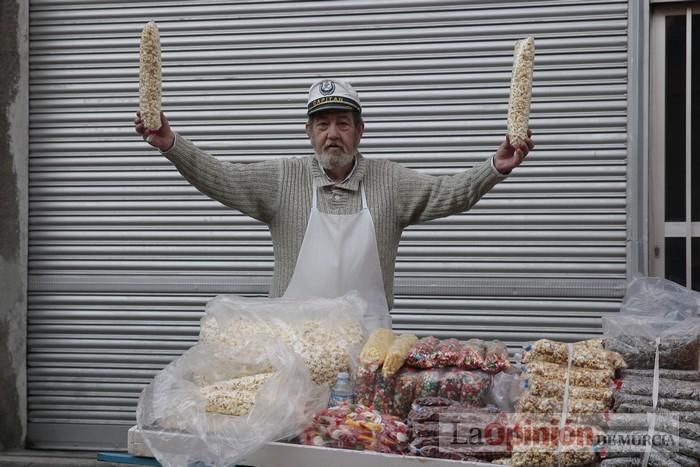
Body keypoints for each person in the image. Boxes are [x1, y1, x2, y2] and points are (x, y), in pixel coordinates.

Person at [134, 78, 534, 330]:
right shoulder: (282, 179)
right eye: (322, 124)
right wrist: (172, 145)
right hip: (293, 347)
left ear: (360, 130)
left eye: (343, 123)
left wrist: (494, 168)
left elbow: (450, 192)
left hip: (369, 349)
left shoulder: (390, 181)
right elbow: (220, 178)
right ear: (308, 132)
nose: (332, 134)